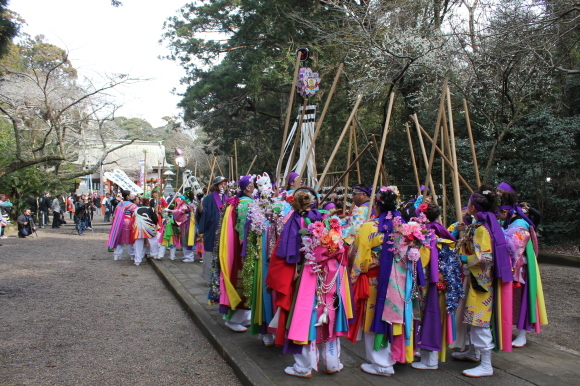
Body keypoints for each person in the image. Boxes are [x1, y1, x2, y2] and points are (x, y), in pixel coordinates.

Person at [266, 187, 350, 378]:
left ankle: (304, 366)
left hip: (307, 275)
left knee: (303, 319)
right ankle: (332, 362)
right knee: (330, 314)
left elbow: (283, 254)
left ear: (294, 203)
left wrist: (277, 280)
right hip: (331, 273)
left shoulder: (293, 221)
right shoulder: (325, 219)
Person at [452, 185, 514, 377]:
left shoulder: (482, 229)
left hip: (481, 283)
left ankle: (486, 364)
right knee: (473, 318)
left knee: (479, 321)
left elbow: (485, 257)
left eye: (469, 203)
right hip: (477, 281)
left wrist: (465, 259)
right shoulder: (484, 225)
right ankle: (474, 352)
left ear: (472, 208)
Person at [348, 186, 401, 377]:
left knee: (373, 318)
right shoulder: (402, 225)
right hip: (398, 281)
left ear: (377, 205)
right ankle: (390, 358)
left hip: (374, 281)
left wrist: (353, 277)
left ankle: (381, 364)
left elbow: (359, 257)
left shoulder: (369, 227)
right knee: (392, 318)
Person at [411, 202, 464, 370]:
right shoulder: (440, 230)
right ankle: (426, 355)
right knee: (432, 316)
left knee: (428, 316)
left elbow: (423, 259)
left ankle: (430, 359)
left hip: (428, 281)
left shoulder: (426, 233)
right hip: (438, 279)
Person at [497, 190, 548, 348]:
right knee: (513, 300)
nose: (498, 216)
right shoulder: (511, 220)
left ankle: (522, 333)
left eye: (498, 213)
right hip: (516, 266)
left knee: (523, 300)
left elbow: (516, 248)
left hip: (521, 268)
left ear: (505, 211)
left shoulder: (519, 224)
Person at [209, 176, 254, 332]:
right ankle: (234, 319)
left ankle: (245, 316)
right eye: (254, 185)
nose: (255, 187)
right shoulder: (246, 204)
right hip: (243, 251)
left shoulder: (237, 202)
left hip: (237, 249)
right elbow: (243, 231)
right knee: (241, 281)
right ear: (248, 188)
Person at [196, 176, 228, 280]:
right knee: (210, 252)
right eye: (221, 184)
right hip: (212, 230)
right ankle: (208, 277)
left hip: (225, 230)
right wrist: (199, 202)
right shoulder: (209, 198)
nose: (224, 186)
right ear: (216, 185)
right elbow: (202, 212)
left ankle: (221, 277)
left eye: (225, 184)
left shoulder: (227, 198)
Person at [107, 190, 138, 260]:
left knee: (119, 238)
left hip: (119, 222)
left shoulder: (119, 204)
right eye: (130, 194)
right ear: (127, 196)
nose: (131, 195)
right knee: (130, 239)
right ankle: (132, 255)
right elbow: (136, 214)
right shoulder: (132, 205)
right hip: (129, 221)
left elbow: (115, 213)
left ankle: (117, 255)